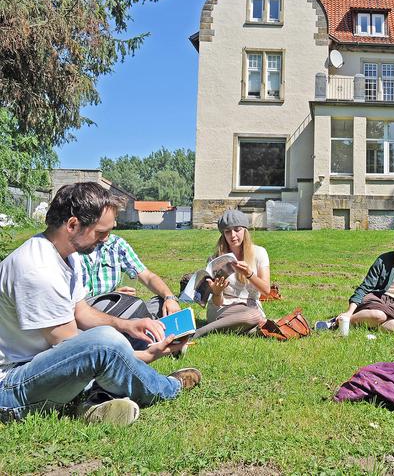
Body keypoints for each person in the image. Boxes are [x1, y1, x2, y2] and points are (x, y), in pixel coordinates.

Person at [0, 183, 201, 426]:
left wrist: (127, 325)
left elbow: (81, 310)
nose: (106, 240)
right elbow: (73, 345)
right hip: (12, 384)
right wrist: (141, 356)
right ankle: (169, 387)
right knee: (105, 343)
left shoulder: (66, 254)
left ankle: (91, 403)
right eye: (100, 233)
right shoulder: (38, 269)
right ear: (72, 225)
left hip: (38, 366)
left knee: (109, 338)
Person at [337, 221, 394, 332]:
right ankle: (342, 321)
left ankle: (367, 325)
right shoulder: (383, 260)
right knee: (378, 315)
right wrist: (349, 312)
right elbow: (365, 287)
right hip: (375, 300)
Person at [192, 210, 268, 339]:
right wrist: (217, 292)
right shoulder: (216, 259)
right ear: (223, 235)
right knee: (255, 317)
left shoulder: (259, 253)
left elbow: (266, 290)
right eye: (227, 232)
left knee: (254, 317)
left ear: (245, 231)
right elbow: (217, 302)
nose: (233, 235)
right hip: (222, 308)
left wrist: (249, 274)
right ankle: (199, 333)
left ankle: (227, 327)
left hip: (249, 306)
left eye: (237, 230)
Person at [81, 232, 181, 318]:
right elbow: (74, 305)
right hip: (85, 313)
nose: (106, 237)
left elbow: (148, 277)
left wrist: (169, 297)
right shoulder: (74, 250)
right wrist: (111, 297)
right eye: (101, 231)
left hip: (116, 309)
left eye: (109, 230)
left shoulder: (116, 244)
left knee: (161, 303)